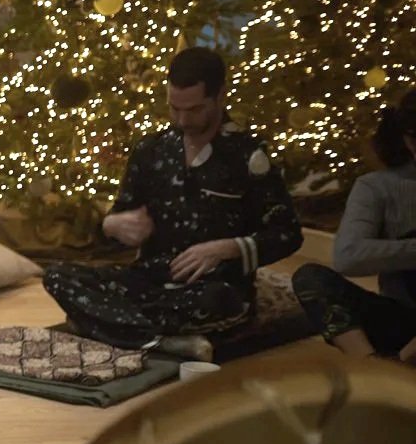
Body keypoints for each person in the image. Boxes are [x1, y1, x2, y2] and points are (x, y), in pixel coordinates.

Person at [43, 48, 303, 358]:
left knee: (218, 302)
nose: (182, 120)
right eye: (174, 108)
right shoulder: (151, 150)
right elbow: (118, 218)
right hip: (149, 279)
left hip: (210, 289)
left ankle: (109, 326)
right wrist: (112, 225)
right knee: (58, 276)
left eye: (194, 110)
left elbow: (287, 234)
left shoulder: (247, 157)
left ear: (220, 95)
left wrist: (227, 248)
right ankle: (161, 341)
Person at [291, 91, 416, 363]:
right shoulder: (379, 187)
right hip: (403, 319)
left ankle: (400, 365)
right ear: (408, 140)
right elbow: (348, 256)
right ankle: (375, 368)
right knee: (310, 278)